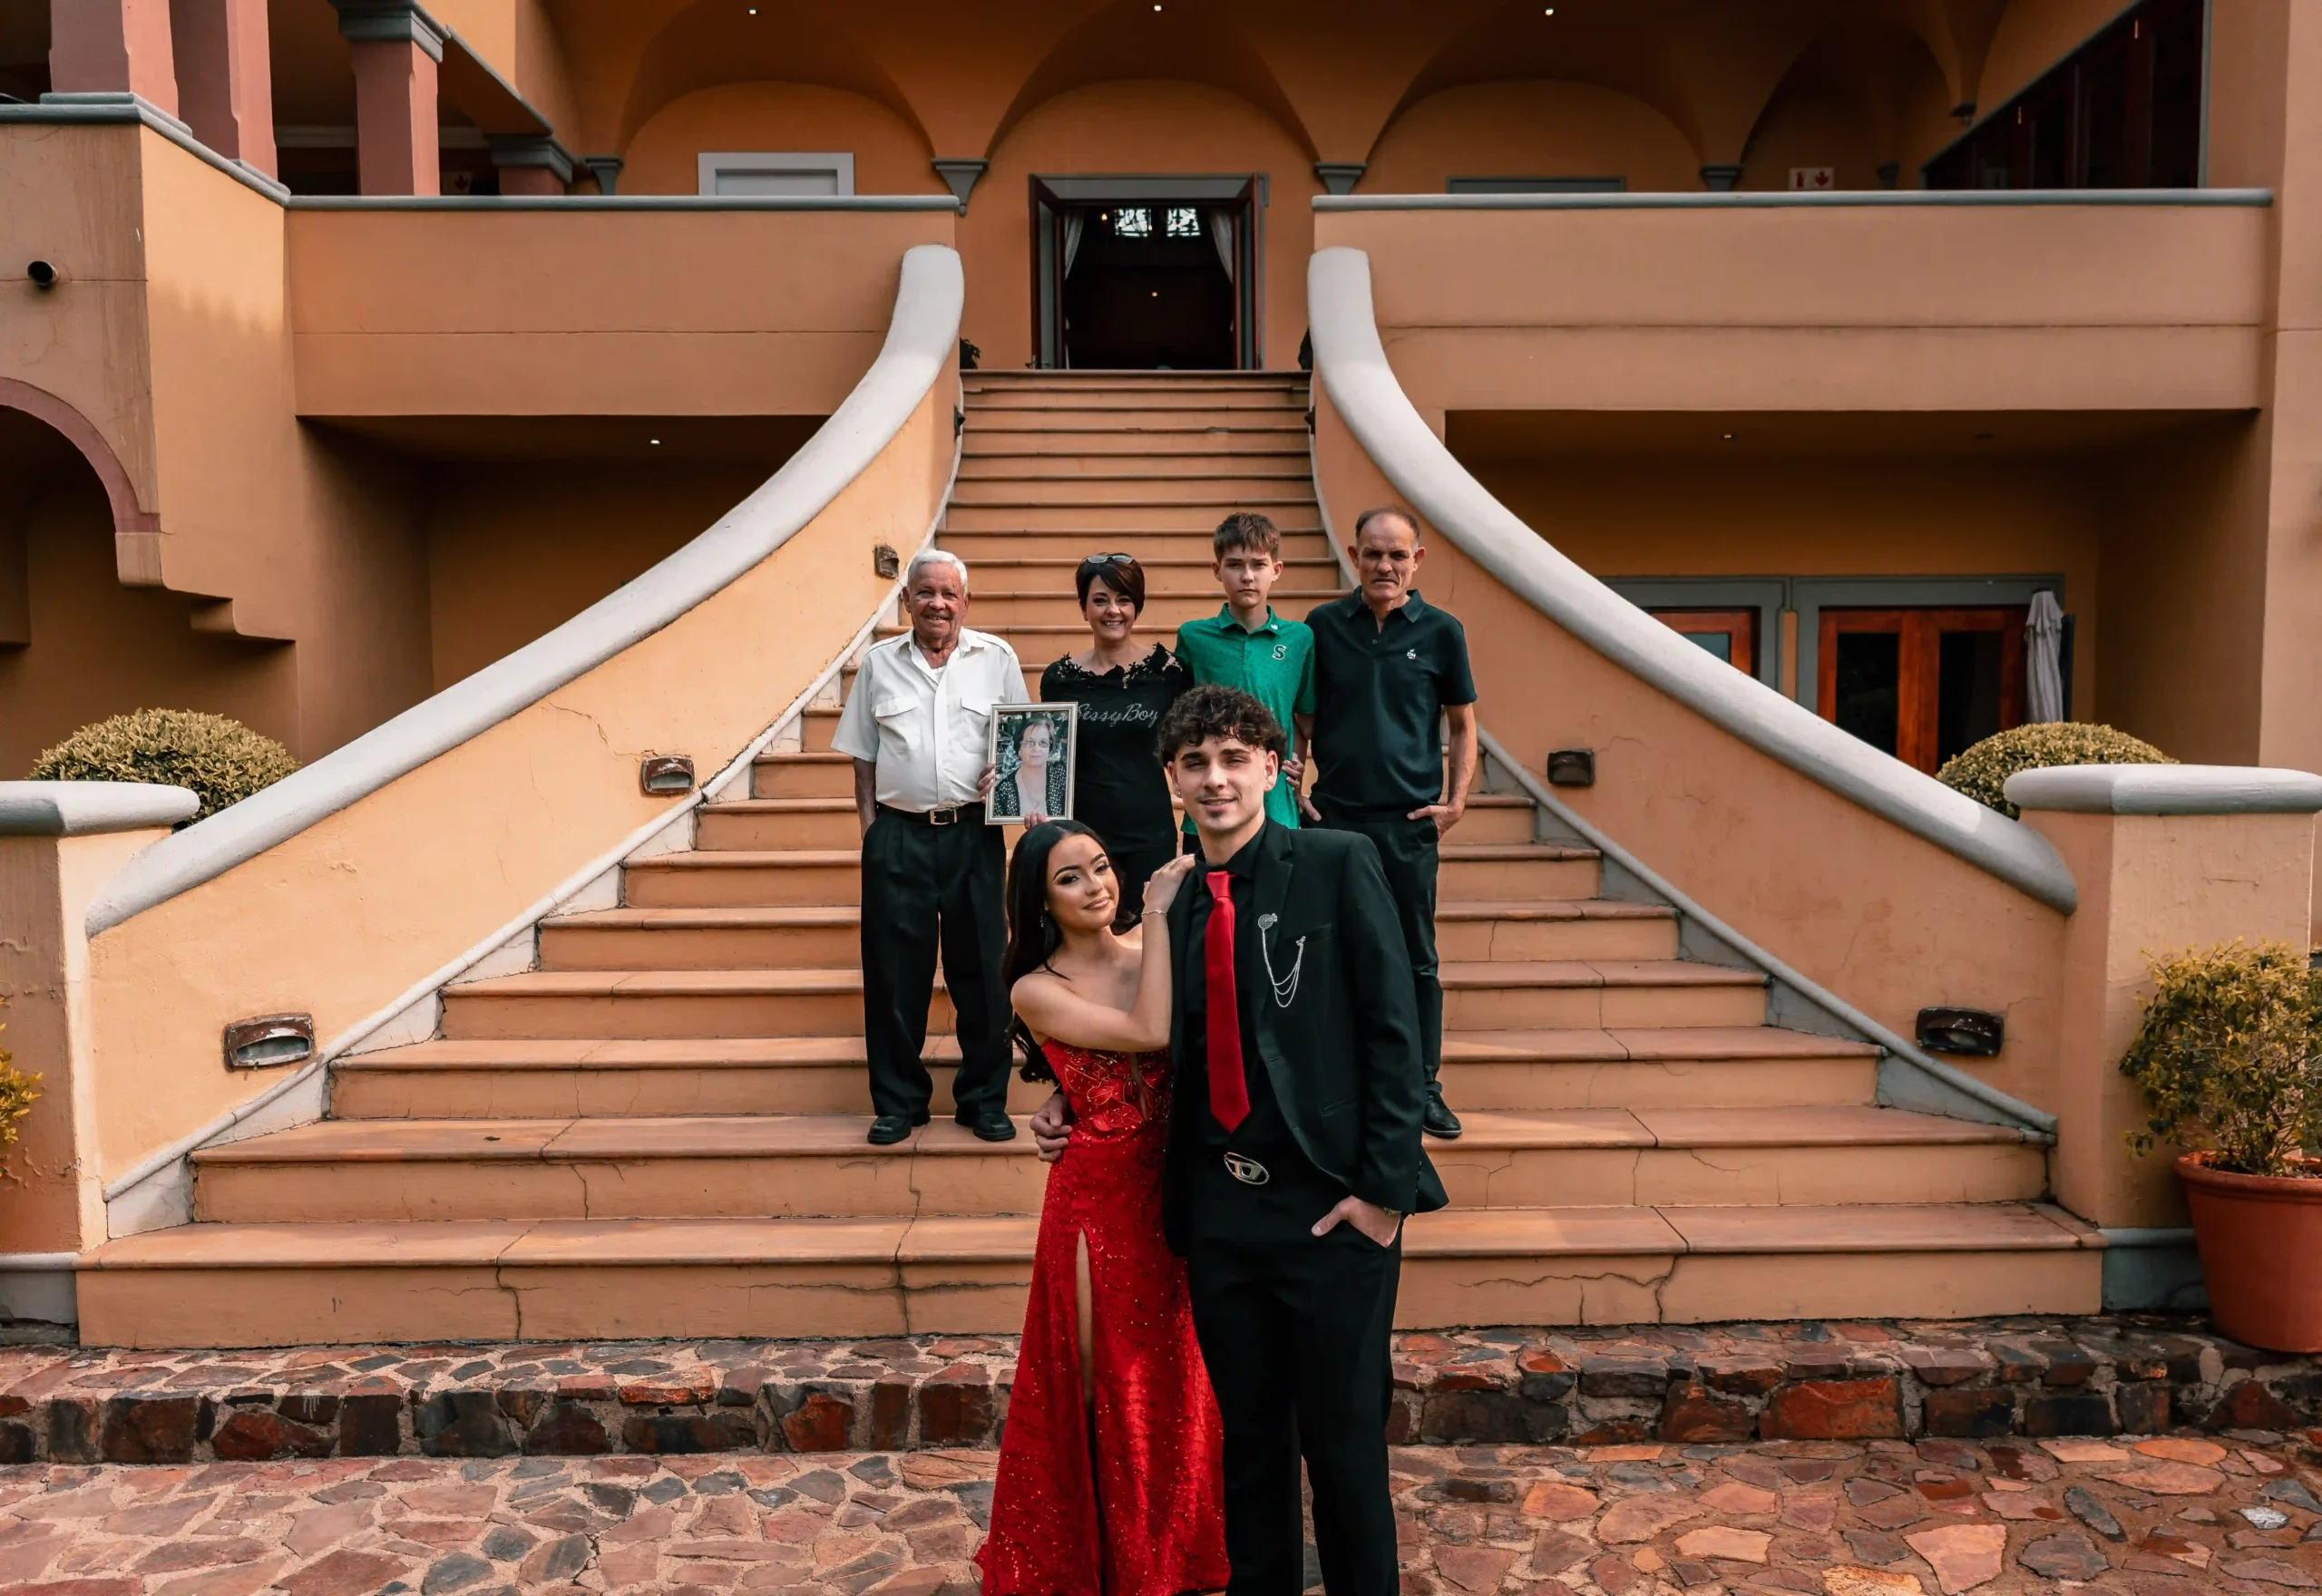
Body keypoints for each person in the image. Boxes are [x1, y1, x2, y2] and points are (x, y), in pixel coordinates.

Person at [1033, 684, 1445, 1596]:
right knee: (1249, 1451)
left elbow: (1396, 1030)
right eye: (1195, 763)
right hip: (1219, 1213)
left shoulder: (1340, 861)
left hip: (1332, 1209)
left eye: (1232, 759)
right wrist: (1063, 1096)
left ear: (1271, 766)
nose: (1214, 779)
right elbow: (1143, 1029)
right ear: (1172, 781)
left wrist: (1382, 1193)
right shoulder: (1171, 904)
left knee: (1343, 1451)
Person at [975, 822, 1224, 1596]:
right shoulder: (1034, 987)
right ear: (1040, 901)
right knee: (1098, 1378)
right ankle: (1104, 1562)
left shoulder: (1156, 949)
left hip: (1179, 1185)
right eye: (1070, 878)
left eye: (1102, 867)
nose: (1097, 887)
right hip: (1096, 1200)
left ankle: (1179, 1550)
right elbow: (1147, 1032)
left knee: (1178, 1368)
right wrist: (1160, 910)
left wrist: (1061, 1093)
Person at [829, 548, 1024, 1146]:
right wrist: (872, 832)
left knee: (985, 972)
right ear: (906, 600)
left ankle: (984, 1101)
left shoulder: (997, 659)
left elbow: (1026, 743)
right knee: (894, 975)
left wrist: (1008, 777)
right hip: (898, 836)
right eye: (925, 592)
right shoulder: (879, 664)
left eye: (948, 594)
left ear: (966, 602)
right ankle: (898, 1103)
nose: (937, 603)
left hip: (974, 834)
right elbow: (863, 758)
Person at [1301, 506, 1478, 1143]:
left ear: (1416, 560)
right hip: (1334, 822)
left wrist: (1456, 802)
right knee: (1331, 954)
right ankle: (1338, 1084)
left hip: (1408, 823)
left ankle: (1422, 1086)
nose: (1384, 565)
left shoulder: (1442, 632)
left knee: (1416, 961)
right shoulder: (1322, 627)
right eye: (1373, 554)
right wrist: (1295, 784)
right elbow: (1302, 715)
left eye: (1397, 555)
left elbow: (1462, 724)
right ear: (1354, 557)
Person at [1039, 553, 1192, 925]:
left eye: (1124, 600)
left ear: (1136, 607)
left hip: (1149, 832)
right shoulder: (1058, 679)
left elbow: (1186, 744)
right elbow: (1051, 757)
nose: (1113, 610)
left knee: (1150, 933)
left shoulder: (1169, 673)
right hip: (1083, 836)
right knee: (1090, 935)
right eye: (1100, 600)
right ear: (1084, 608)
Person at [1172, 512, 1315, 831]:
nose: (1247, 576)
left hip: (1274, 802)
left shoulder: (1299, 639)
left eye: (1258, 565)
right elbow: (1180, 717)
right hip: (1213, 794)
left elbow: (1303, 717)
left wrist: (1296, 766)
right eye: (1235, 565)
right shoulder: (1194, 637)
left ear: (1276, 570)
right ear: (1217, 570)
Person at [992, 713, 1069, 822]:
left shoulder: (1062, 774)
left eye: (1043, 742)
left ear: (1050, 749)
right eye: (1029, 742)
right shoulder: (1003, 791)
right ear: (1019, 749)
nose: (1036, 749)